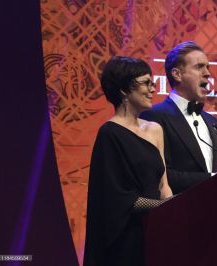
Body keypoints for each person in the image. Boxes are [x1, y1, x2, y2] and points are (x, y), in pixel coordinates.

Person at [83, 56, 172, 266]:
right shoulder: (109, 134)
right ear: (124, 90)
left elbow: (163, 186)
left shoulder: (155, 129)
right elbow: (120, 200)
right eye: (146, 83)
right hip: (127, 238)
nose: (153, 89)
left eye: (153, 83)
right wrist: (167, 205)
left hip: (156, 231)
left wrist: (172, 212)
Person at [140, 41, 217, 195]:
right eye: (199, 67)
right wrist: (211, 178)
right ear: (177, 74)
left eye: (207, 67)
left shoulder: (211, 121)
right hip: (178, 214)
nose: (208, 73)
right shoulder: (154, 116)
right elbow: (159, 175)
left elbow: (216, 168)